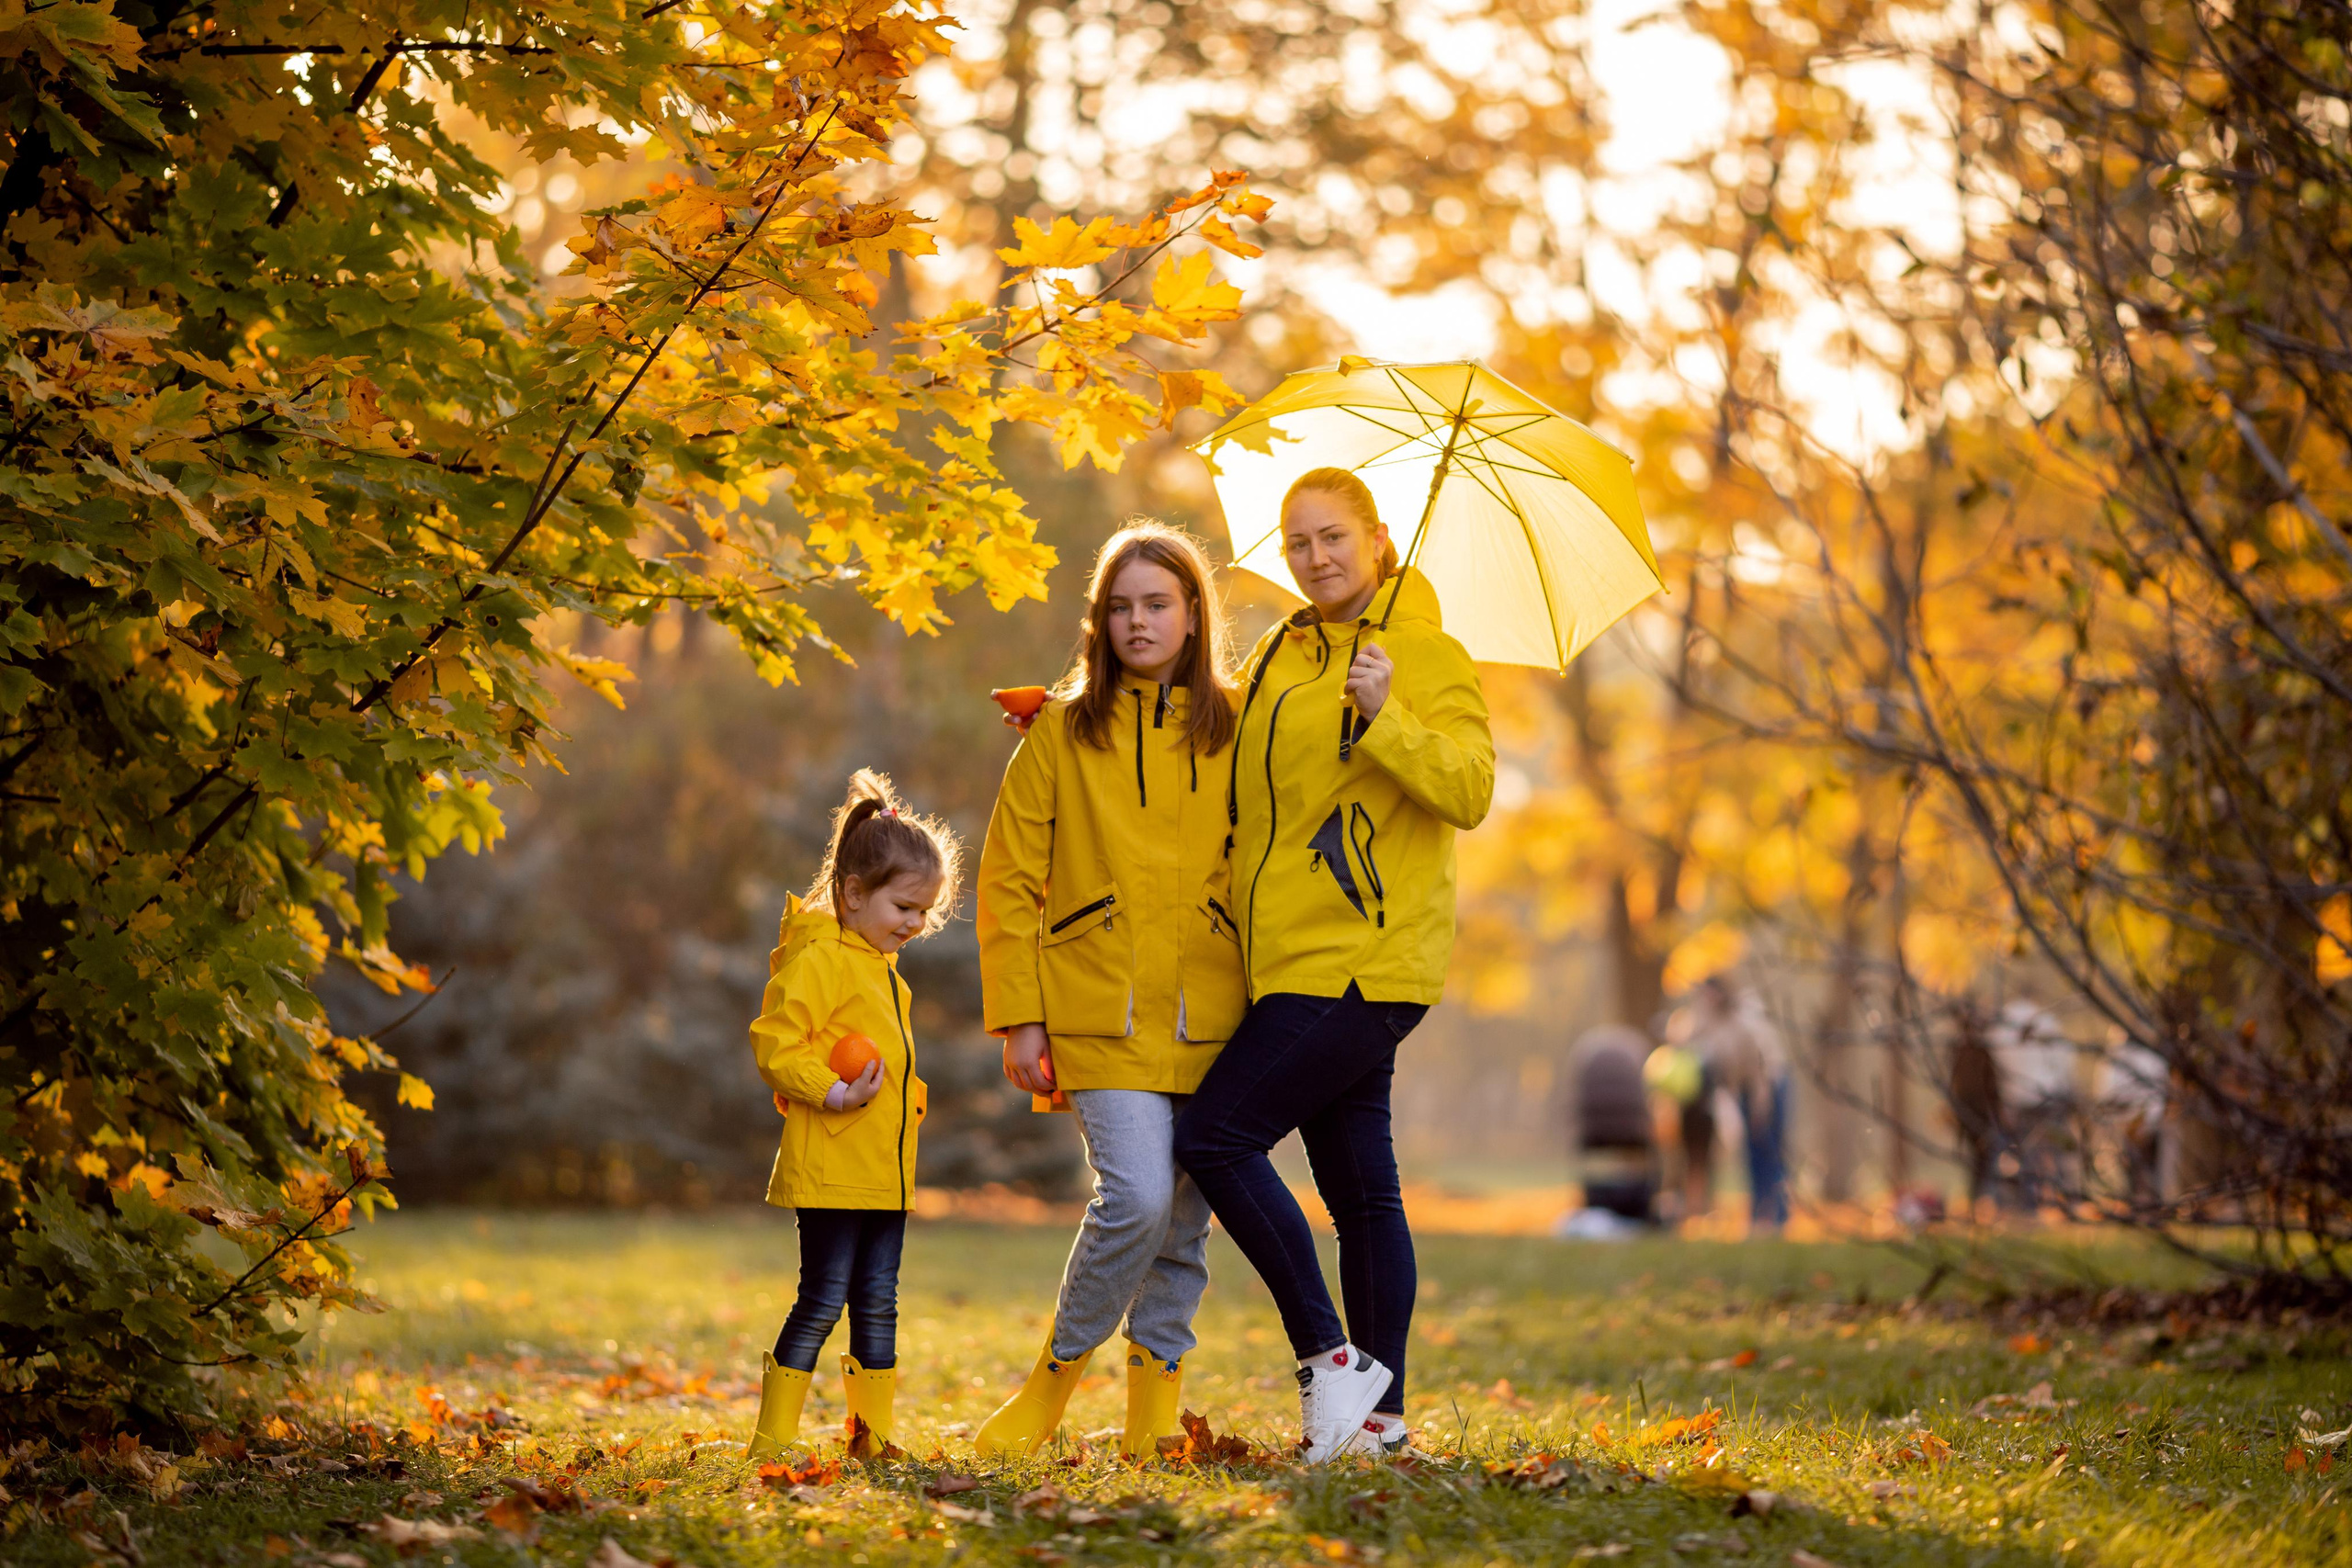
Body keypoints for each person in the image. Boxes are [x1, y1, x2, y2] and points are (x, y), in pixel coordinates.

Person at [1173, 467, 1494, 1462]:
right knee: (1361, 1192)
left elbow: (1471, 790)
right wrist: (1070, 721)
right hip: (1285, 956)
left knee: (1216, 1136)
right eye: (1298, 542)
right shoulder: (1282, 651)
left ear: (1379, 538)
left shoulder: (1426, 653)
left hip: (1364, 958)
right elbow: (1224, 750)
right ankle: (1380, 1423)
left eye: (1333, 538)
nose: (1315, 558)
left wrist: (1389, 715)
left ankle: (1331, 1359)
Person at [971, 522, 1248, 1460]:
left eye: (1157, 603)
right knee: (1134, 1197)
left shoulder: (1240, 723)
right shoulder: (1059, 729)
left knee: (1183, 1223)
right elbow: (1009, 877)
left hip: (1214, 1012)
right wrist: (1020, 1016)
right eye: (1119, 606)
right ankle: (1050, 1383)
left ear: (1193, 612)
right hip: (1098, 1007)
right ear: (1099, 621)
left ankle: (1152, 1416)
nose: (1138, 621)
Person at [744, 771, 960, 1460]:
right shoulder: (823, 961)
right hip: (833, 1169)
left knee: (878, 1300)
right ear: (855, 893)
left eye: (925, 911)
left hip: (882, 1176)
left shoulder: (884, 972)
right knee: (822, 1297)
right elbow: (776, 1041)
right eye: (905, 906)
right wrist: (831, 1093)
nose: (915, 923)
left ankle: (874, 1438)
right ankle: (772, 1439)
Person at [1677, 975, 1791, 1232]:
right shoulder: (1710, 1024)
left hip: (1769, 1086)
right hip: (1743, 1089)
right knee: (1751, 1153)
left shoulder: (1744, 1021)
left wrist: (1761, 1103)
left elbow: (1760, 1066)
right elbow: (1698, 1050)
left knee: (1769, 1149)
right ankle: (1758, 1216)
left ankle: (1778, 1216)